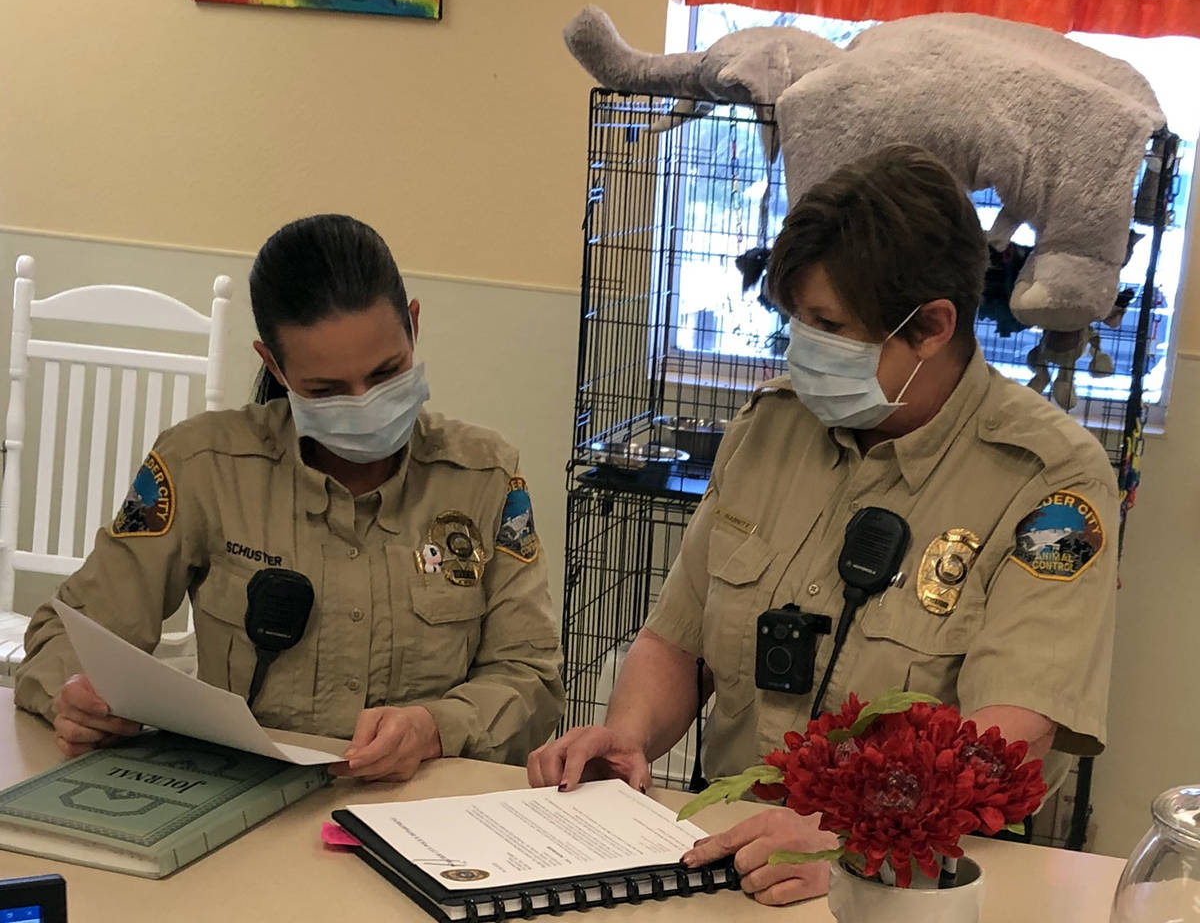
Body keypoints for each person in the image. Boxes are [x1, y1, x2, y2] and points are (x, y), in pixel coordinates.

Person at [527, 145, 1118, 904]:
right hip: (731, 862)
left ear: (933, 325)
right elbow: (676, 641)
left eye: (826, 324)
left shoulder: (1053, 479)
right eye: (795, 319)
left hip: (921, 886)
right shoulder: (771, 426)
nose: (798, 346)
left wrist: (847, 839)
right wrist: (629, 734)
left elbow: (1011, 734)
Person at [16, 214, 565, 781]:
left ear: (414, 327)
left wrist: (436, 726)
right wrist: (74, 695)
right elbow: (71, 633)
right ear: (274, 365)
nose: (362, 404)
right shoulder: (204, 465)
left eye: (386, 374)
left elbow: (531, 677)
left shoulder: (483, 476)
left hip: (423, 810)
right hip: (242, 802)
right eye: (324, 391)